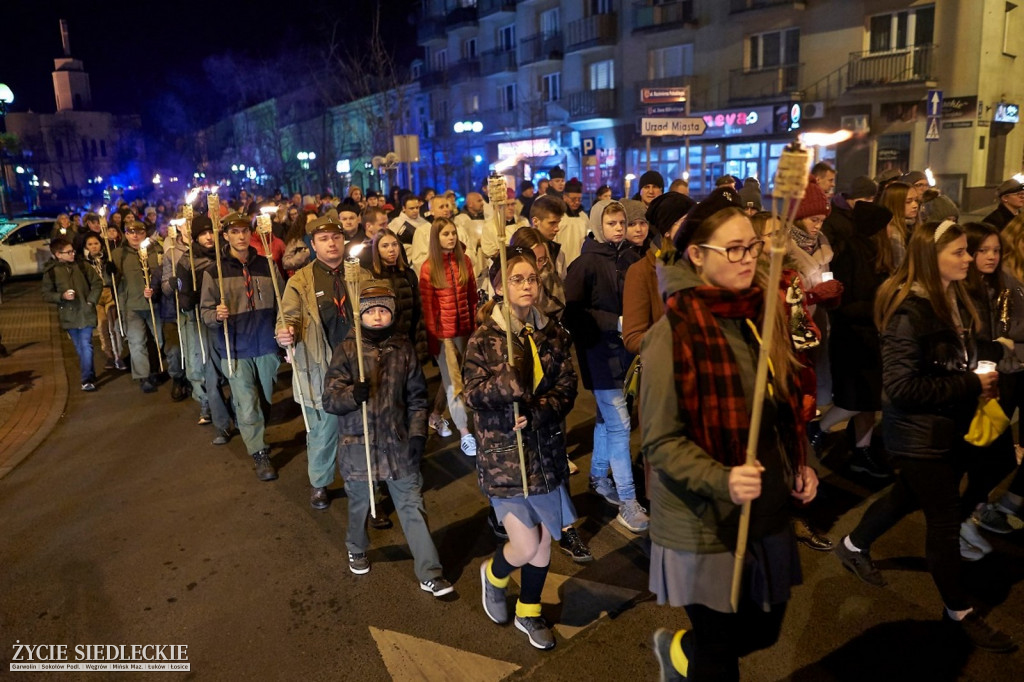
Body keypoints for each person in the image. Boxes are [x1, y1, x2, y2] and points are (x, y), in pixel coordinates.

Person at [643, 198, 818, 681]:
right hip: (704, 520)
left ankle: (681, 650)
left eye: (752, 248)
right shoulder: (672, 334)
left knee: (765, 628)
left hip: (766, 506)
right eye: (734, 249)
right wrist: (721, 479)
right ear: (697, 255)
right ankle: (697, 656)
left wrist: (799, 465)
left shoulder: (754, 313)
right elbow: (659, 442)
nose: (748, 259)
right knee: (720, 656)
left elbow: (779, 408)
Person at [834, 220, 1016, 654]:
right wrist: (972, 385)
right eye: (959, 252)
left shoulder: (952, 298)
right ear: (929, 258)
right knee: (944, 520)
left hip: (945, 429)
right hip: (917, 437)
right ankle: (959, 612)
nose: (969, 258)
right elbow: (900, 388)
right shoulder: (910, 311)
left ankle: (852, 544)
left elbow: (951, 355)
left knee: (905, 497)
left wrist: (991, 354)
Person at [465, 249, 579, 650]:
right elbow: (474, 395)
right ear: (499, 287)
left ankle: (528, 611)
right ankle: (494, 575)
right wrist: (506, 388)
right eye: (517, 279)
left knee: (545, 542)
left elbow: (567, 389)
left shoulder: (552, 332)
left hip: (544, 452)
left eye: (532, 278)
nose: (527, 286)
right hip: (504, 456)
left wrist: (537, 411)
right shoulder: (484, 339)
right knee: (526, 544)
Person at [320, 280, 455, 597]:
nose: (378, 317)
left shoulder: (403, 349)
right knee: (360, 504)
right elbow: (330, 399)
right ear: (361, 315)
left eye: (383, 310)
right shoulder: (347, 350)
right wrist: (353, 394)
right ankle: (356, 545)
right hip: (358, 444)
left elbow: (418, 399)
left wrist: (418, 433)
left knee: (412, 505)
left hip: (397, 443)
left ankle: (430, 571)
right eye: (371, 311)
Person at [564, 200, 647, 533]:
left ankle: (598, 478)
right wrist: (615, 322)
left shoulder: (630, 257)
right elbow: (573, 312)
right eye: (612, 222)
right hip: (599, 353)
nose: (619, 228)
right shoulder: (585, 263)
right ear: (599, 224)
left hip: (626, 354)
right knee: (621, 424)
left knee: (607, 420)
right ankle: (628, 500)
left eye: (621, 222)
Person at [276, 216, 354, 509]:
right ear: (313, 245)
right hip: (321, 367)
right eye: (324, 239)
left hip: (358, 365)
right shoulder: (301, 280)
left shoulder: (361, 273)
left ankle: (362, 482)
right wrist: (285, 331)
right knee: (323, 432)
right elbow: (288, 315)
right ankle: (320, 482)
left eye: (336, 237)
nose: (332, 243)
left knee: (360, 429)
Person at [200, 213, 281, 481]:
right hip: (235, 346)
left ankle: (251, 426)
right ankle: (259, 453)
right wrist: (216, 315)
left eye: (245, 230)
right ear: (226, 236)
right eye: (234, 232)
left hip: (266, 344)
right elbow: (205, 311)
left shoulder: (267, 265)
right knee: (248, 405)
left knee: (264, 401)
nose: (241, 236)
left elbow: (283, 302)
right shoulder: (215, 272)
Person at [959, 221, 1024, 545]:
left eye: (995, 250)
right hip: (975, 383)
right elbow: (980, 341)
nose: (991, 256)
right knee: (982, 455)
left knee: (992, 456)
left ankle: (966, 514)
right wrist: (1004, 347)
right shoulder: (965, 290)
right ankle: (962, 518)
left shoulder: (994, 284)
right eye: (982, 250)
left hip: (995, 375)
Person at [420, 217, 479, 456]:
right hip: (443, 334)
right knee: (455, 383)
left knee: (453, 377)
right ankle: (465, 432)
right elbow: (428, 307)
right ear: (436, 237)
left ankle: (435, 415)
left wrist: (475, 329)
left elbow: (473, 297)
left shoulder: (464, 261)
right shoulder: (428, 267)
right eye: (445, 234)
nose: (451, 237)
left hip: (465, 331)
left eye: (453, 233)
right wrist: (434, 341)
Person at [175, 215, 233, 442]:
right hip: (205, 322)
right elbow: (183, 297)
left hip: (231, 318)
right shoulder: (187, 261)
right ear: (196, 237)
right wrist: (192, 296)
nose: (209, 237)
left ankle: (239, 412)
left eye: (211, 232)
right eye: (203, 233)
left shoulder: (226, 255)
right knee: (211, 371)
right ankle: (220, 422)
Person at [111, 220, 183, 394]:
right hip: (132, 305)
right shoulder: (118, 254)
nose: (135, 235)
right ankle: (143, 376)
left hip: (154, 304)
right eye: (131, 232)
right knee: (136, 342)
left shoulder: (156, 251)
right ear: (126, 234)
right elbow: (111, 283)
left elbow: (163, 273)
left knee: (160, 339)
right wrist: (110, 272)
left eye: (139, 232)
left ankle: (160, 368)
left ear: (145, 233)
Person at [42, 237, 103, 392]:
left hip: (85, 311)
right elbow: (46, 294)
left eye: (72, 251)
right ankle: (89, 372)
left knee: (86, 345)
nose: (72, 254)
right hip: (68, 315)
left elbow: (97, 283)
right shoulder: (51, 272)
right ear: (58, 254)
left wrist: (91, 301)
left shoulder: (83, 266)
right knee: (79, 347)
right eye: (68, 252)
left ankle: (86, 379)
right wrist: (61, 296)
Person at [82, 233, 126, 370]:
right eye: (90, 244)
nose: (94, 247)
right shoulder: (84, 263)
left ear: (101, 244)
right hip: (96, 295)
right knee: (102, 326)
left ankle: (118, 354)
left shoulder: (107, 258)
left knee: (113, 324)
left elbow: (117, 276)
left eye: (96, 243)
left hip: (109, 293)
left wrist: (114, 271)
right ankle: (109, 355)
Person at [554, 179, 588, 269]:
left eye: (579, 199)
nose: (577, 202)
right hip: (562, 262)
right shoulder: (559, 217)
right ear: (565, 197)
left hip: (580, 263)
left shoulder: (584, 217)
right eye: (573, 199)